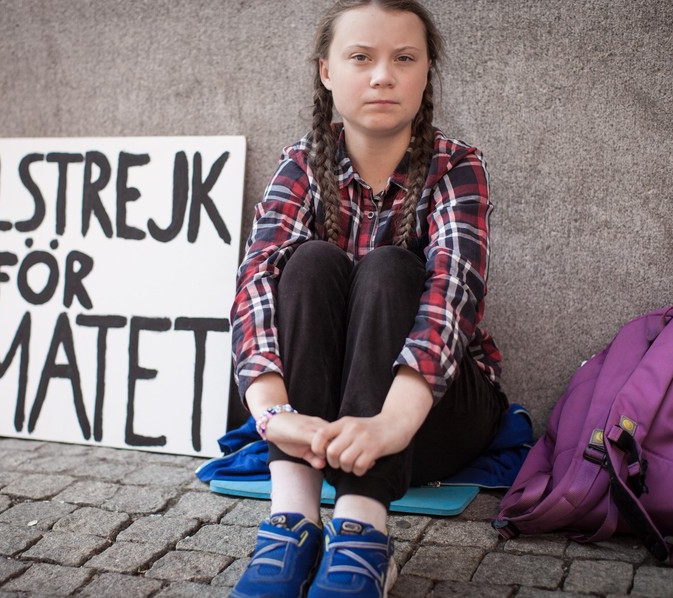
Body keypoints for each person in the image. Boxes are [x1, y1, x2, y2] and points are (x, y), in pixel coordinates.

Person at [229, 1, 508, 596]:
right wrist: (274, 416)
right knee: (307, 264)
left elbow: (452, 297)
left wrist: (389, 424)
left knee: (387, 268)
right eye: (361, 57)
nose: (382, 75)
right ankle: (293, 519)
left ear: (426, 71)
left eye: (403, 59)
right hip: (322, 428)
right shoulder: (304, 163)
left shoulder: (457, 165)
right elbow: (255, 281)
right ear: (326, 71)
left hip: (426, 420)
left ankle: (362, 530)